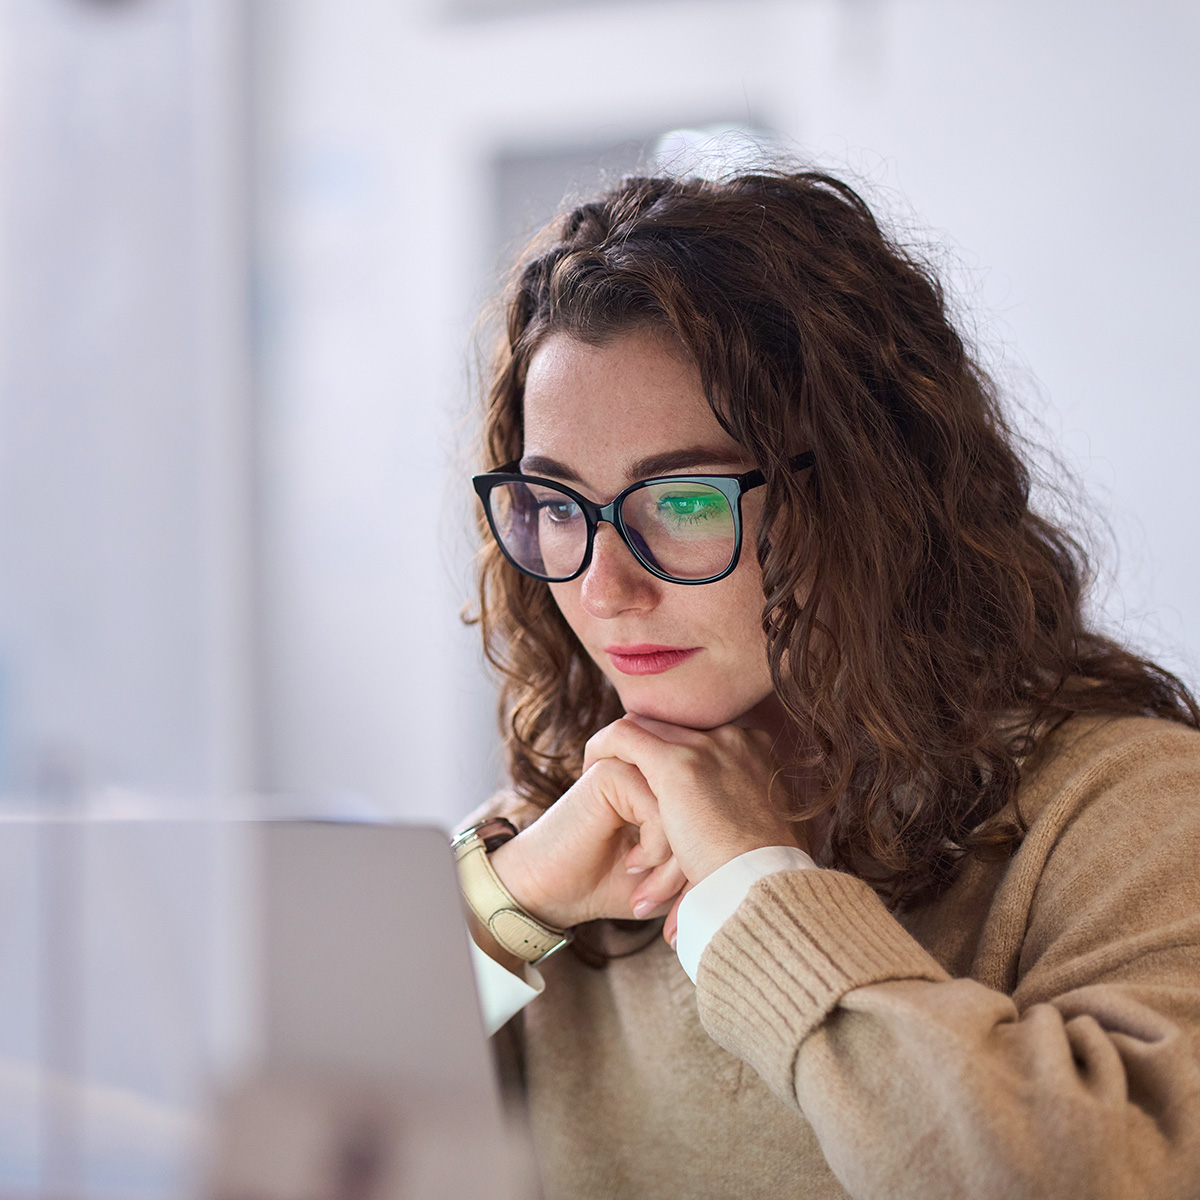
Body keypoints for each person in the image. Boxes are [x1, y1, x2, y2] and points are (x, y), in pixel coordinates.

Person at [452, 168, 1200, 1200]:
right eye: (559, 505)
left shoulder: (1136, 813)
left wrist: (754, 888)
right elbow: (272, 1125)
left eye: (684, 502)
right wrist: (506, 905)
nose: (603, 587)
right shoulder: (562, 835)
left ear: (867, 498)